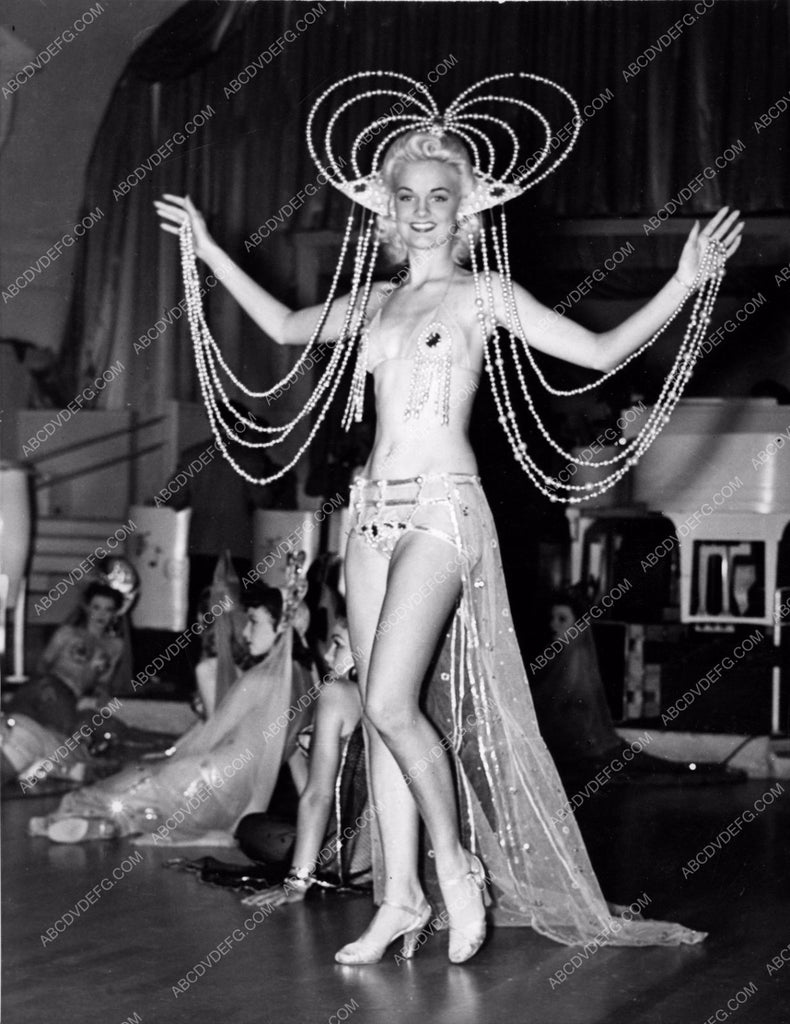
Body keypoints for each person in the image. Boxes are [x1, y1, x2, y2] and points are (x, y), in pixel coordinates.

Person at [154, 73, 744, 964]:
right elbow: (279, 326)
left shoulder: (483, 296)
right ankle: (398, 900)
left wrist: (684, 282)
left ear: (465, 206)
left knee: (392, 701)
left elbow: (597, 350)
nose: (423, 211)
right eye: (408, 197)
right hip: (368, 520)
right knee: (381, 721)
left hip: (443, 509)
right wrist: (205, 248)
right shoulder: (371, 303)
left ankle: (455, 868)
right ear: (385, 209)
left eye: (439, 196)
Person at [30, 579, 316, 844]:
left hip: (203, 778)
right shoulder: (304, 684)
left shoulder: (258, 680)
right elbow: (294, 762)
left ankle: (75, 818)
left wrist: (168, 759)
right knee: (141, 802)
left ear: (282, 627)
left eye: (253, 622)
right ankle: (108, 827)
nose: (245, 631)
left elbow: (213, 734)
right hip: (232, 798)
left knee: (106, 792)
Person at [236, 610, 367, 907]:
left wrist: (297, 881)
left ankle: (305, 866)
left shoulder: (338, 693)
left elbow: (317, 795)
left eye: (338, 644)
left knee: (251, 829)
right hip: (384, 858)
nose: (329, 654)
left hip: (345, 859)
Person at [8, 582, 124, 736]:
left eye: (108, 609)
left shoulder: (115, 646)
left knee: (57, 733)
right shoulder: (68, 633)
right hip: (49, 686)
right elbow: (43, 663)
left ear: (115, 613)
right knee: (15, 725)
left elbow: (103, 681)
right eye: (96, 607)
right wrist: (45, 686)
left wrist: (103, 694)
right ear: (87, 608)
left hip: (69, 696)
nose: (101, 614)